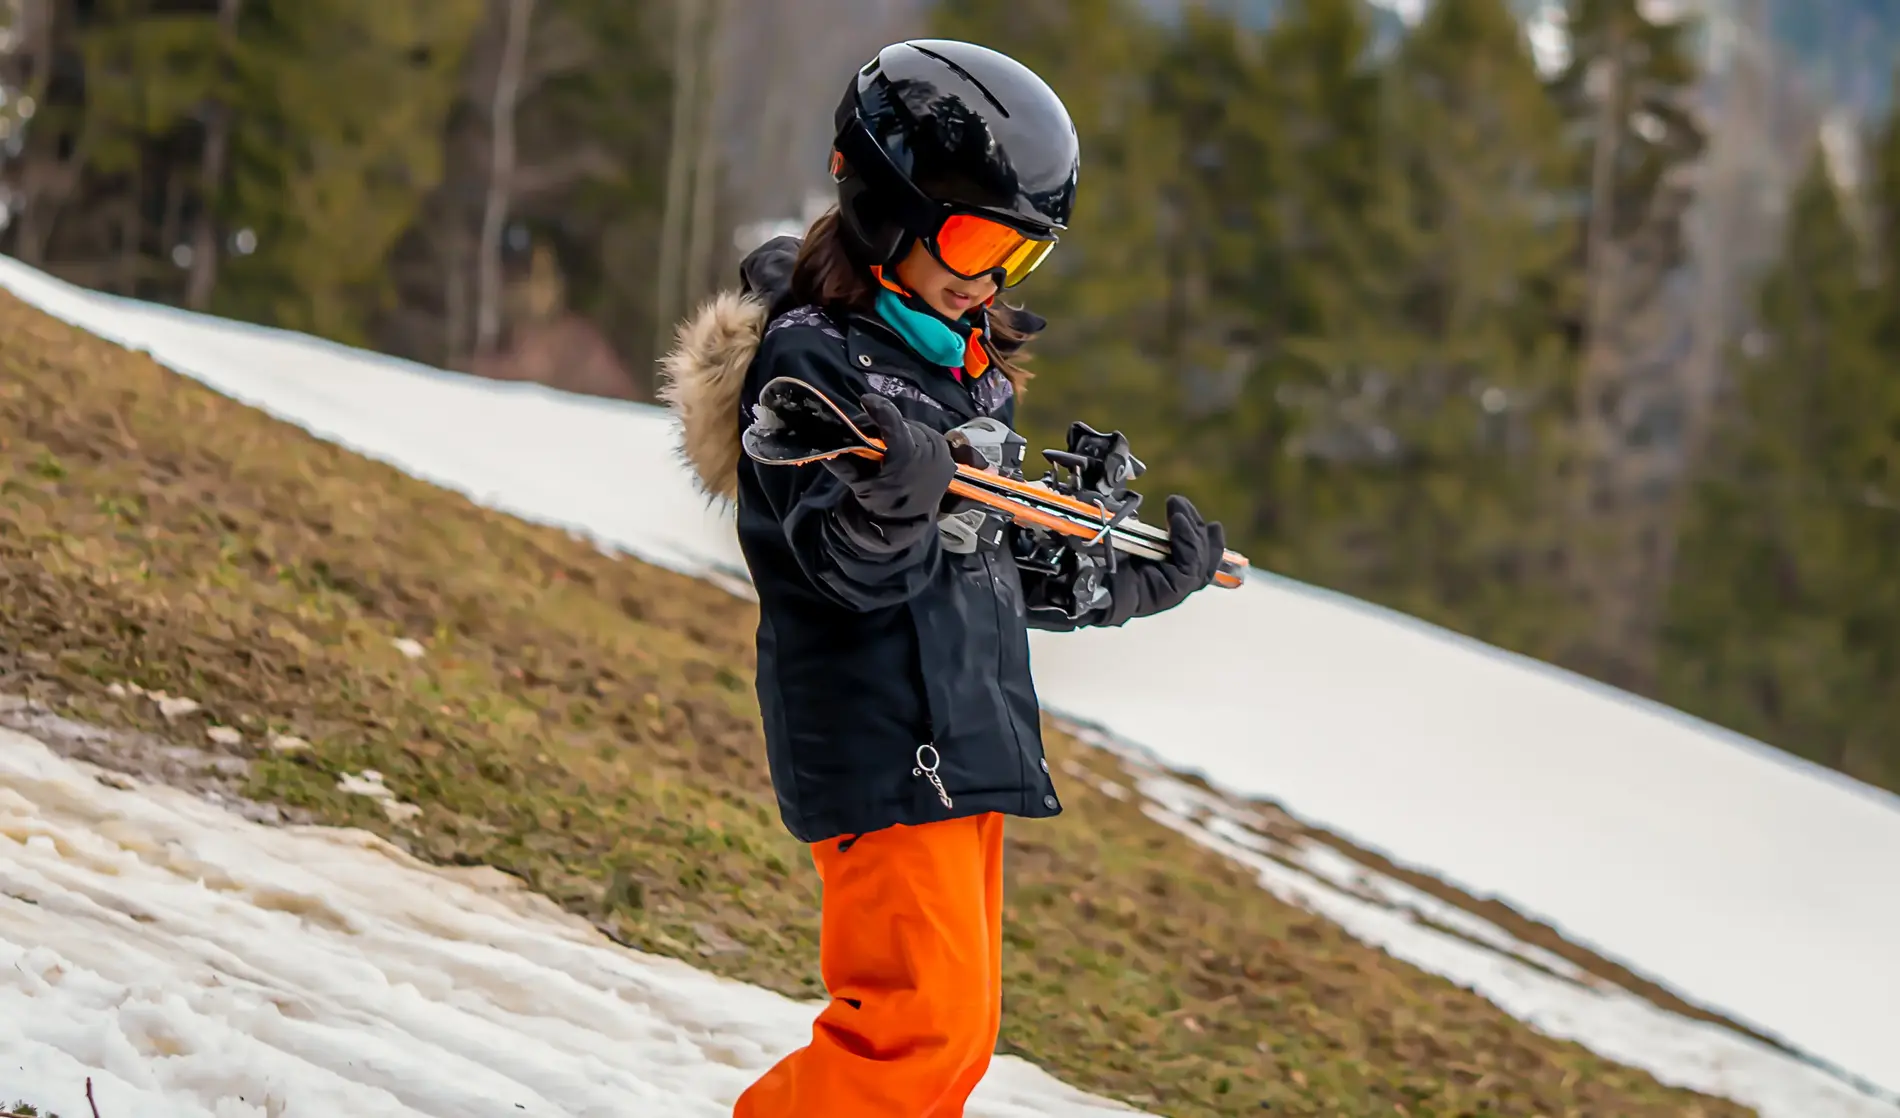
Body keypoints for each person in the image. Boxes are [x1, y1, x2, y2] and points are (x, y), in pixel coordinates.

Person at [658, 38, 1226, 1118]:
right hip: (882, 739)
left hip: (961, 735)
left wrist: (1123, 577)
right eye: (972, 240)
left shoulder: (959, 370)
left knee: (952, 1038)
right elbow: (839, 567)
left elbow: (989, 560)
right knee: (910, 1033)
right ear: (885, 209)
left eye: (1020, 258)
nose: (987, 279)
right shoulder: (812, 363)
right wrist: (901, 493)